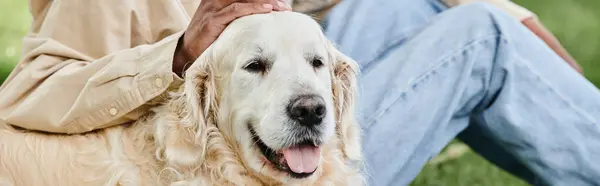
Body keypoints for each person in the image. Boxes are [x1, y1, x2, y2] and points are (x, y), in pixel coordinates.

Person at [0, 0, 598, 185]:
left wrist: (520, 17)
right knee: (479, 39)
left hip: (262, 102)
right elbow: (27, 94)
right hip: (207, 160)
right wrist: (179, 54)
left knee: (402, 6)